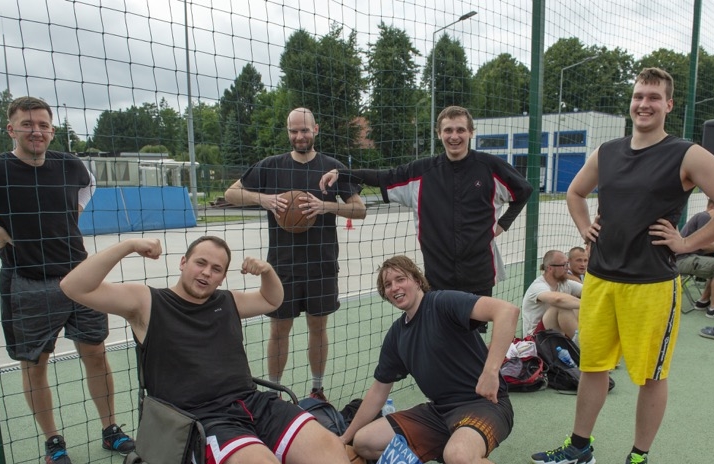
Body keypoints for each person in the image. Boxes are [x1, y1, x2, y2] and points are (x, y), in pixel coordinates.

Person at [60, 237, 442, 464]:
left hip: (253, 405)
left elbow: (272, 297)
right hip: (200, 424)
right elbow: (75, 286)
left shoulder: (225, 301)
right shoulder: (146, 302)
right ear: (183, 262)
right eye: (201, 263)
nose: (207, 273)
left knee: (329, 449)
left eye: (217, 269)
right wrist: (129, 246)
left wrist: (266, 270)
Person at [530, 67, 714, 464]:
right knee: (593, 366)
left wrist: (688, 242)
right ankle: (580, 446)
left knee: (650, 376)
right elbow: (575, 194)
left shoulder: (685, 154)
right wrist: (584, 230)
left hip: (651, 285)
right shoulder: (608, 152)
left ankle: (638, 457)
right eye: (638, 96)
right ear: (630, 102)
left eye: (654, 97)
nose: (644, 104)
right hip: (600, 281)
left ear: (669, 105)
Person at [342, 255, 558, 464]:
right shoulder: (396, 335)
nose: (394, 287)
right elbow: (378, 392)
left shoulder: (441, 303)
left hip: (484, 404)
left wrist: (491, 370)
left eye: (400, 279)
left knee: (459, 457)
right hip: (440, 411)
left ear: (417, 280)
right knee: (365, 442)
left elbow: (506, 312)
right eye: (387, 284)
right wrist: (345, 437)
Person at [0, 96, 133, 464]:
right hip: (27, 281)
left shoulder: (70, 164)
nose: (36, 131)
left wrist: (68, 220)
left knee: (95, 354)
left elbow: (85, 189)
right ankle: (53, 441)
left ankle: (110, 429)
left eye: (42, 124)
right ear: (11, 129)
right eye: (27, 124)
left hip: (81, 278)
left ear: (52, 129)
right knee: (35, 364)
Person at [224, 108, 365, 401]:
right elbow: (231, 194)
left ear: (316, 129)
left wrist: (326, 206)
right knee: (279, 329)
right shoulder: (271, 166)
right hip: (281, 266)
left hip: (322, 262)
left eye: (304, 130)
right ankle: (273, 393)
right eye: (293, 131)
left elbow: (360, 209)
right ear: (288, 132)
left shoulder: (332, 167)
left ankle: (317, 389)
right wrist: (263, 199)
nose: (299, 136)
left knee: (318, 326)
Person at [319, 106, 532, 298]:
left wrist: (502, 225)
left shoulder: (490, 167)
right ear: (439, 134)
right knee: (441, 337)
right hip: (438, 279)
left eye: (460, 130)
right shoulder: (420, 173)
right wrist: (342, 173)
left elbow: (524, 191)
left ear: (470, 133)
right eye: (448, 130)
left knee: (473, 338)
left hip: (479, 276)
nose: (454, 136)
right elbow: (384, 177)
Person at [521, 250, 582, 338]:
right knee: (560, 306)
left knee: (577, 307)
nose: (567, 268)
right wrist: (586, 304)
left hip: (555, 335)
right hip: (536, 340)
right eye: (563, 265)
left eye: (567, 264)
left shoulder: (565, 284)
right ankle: (583, 346)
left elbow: (589, 292)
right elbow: (557, 299)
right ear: (550, 268)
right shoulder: (537, 286)